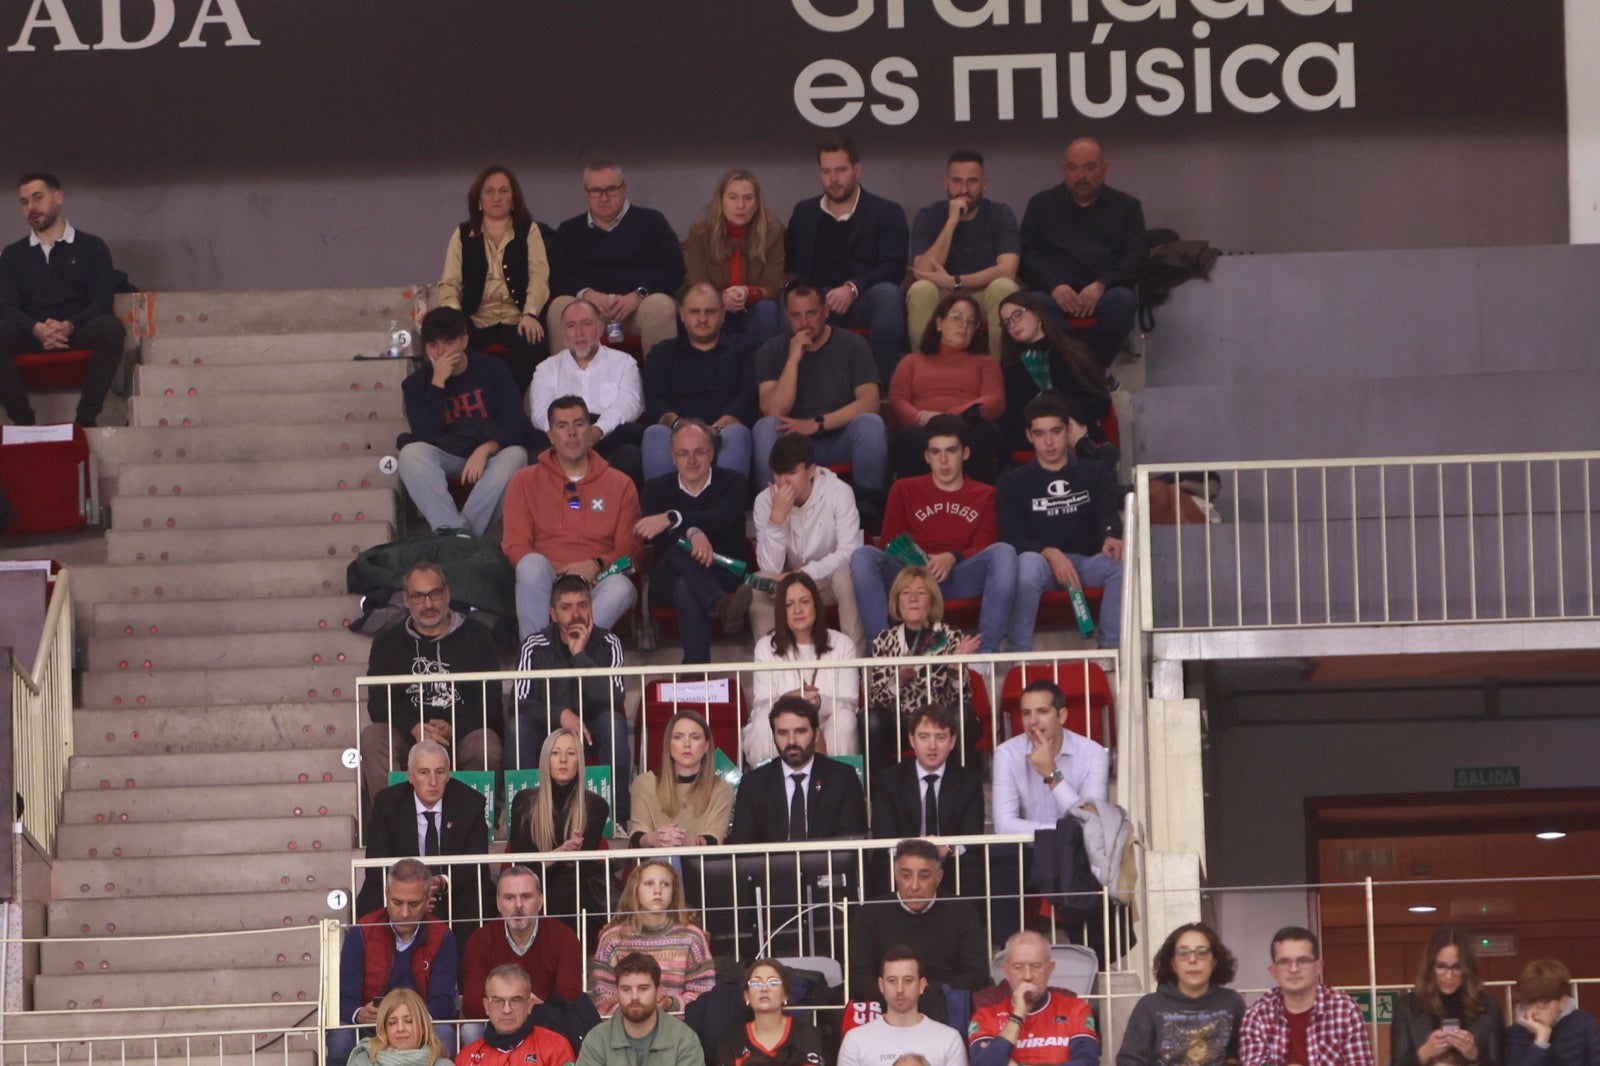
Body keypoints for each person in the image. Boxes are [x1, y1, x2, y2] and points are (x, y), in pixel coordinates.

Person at [851, 415, 1016, 653]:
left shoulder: (986, 494)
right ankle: (883, 651)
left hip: (958, 575)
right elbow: (889, 542)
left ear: (965, 453)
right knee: (863, 556)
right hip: (912, 575)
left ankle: (985, 654)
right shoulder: (904, 489)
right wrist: (918, 561)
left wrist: (951, 557)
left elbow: (985, 545)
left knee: (1005, 552)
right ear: (926, 456)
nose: (944, 460)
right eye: (936, 452)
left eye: (951, 451)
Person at [361, 562, 504, 801]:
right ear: (406, 600)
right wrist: (415, 727)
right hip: (409, 740)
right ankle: (389, 827)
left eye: (434, 594)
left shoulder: (478, 636)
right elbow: (377, 703)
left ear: (447, 594)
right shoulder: (387, 642)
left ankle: (479, 825)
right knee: (372, 737)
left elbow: (491, 701)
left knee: (486, 744)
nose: (428, 604)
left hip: (460, 738)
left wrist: (453, 727)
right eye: (418, 596)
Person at [502, 394, 641, 639]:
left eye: (579, 424)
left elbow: (630, 555)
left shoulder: (621, 484)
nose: (572, 433)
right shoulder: (523, 481)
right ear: (550, 436)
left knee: (622, 587)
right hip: (549, 577)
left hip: (597, 580)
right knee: (530, 566)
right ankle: (536, 659)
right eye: (562, 426)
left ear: (590, 432)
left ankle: (563, 653)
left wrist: (597, 565)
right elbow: (515, 545)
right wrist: (557, 569)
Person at [998, 395, 1123, 652]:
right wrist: (1050, 553)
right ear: (1029, 436)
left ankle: (1110, 652)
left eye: (1056, 431)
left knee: (1121, 562)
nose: (1049, 441)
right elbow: (1012, 538)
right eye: (1040, 433)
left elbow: (1107, 513)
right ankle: (1018, 652)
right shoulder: (1013, 482)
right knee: (1027, 563)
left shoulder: (1096, 472)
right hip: (1041, 567)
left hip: (1086, 565)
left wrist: (1112, 536)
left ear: (1068, 431)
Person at [0, 171, 125, 428]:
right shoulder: (12, 254)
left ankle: (85, 422)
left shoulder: (92, 247)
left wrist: (67, 326)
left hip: (77, 330)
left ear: (58, 197)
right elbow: (6, 305)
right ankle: (24, 422)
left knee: (111, 328)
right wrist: (38, 329)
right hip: (31, 333)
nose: (31, 208)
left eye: (37, 197)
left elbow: (101, 301)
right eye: (24, 202)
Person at [396, 307, 532, 538]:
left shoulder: (493, 370)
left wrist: (486, 449)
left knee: (516, 455)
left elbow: (516, 422)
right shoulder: (416, 384)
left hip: (487, 454)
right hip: (445, 454)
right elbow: (425, 433)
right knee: (410, 454)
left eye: (448, 343)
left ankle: (457, 537)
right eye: (433, 345)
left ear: (464, 340)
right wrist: (438, 382)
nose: (441, 352)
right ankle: (455, 530)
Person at [785, 135, 910, 384]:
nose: (833, 179)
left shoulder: (886, 212)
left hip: (863, 299)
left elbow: (893, 267)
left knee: (888, 295)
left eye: (841, 170)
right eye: (826, 171)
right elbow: (790, 266)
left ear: (857, 170)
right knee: (785, 302)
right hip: (815, 303)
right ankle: (792, 386)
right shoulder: (804, 212)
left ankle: (883, 389)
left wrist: (853, 288)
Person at [752, 280, 888, 500]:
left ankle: (869, 510)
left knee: (870, 424)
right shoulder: (771, 350)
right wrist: (793, 359)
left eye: (811, 313)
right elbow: (774, 411)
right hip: (792, 444)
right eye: (796, 315)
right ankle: (772, 510)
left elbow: (870, 402)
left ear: (826, 311)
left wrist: (816, 424)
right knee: (764, 428)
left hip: (838, 437)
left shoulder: (853, 345)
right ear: (787, 315)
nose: (804, 322)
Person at [1019, 139, 1147, 370]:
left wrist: (1101, 285)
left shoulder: (1127, 207)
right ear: (1063, 169)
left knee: (1124, 301)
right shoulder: (1041, 205)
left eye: (1089, 167)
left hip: (1105, 293)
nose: (1081, 175)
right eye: (1073, 167)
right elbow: (1027, 256)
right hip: (1053, 294)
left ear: (1105, 168)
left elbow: (1134, 258)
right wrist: (1054, 286)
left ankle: (1088, 370)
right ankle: (1086, 370)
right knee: (1036, 304)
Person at [636, 417, 753, 663]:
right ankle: (720, 603)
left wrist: (674, 518)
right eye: (683, 453)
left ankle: (696, 667)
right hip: (666, 578)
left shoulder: (734, 482)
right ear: (672, 456)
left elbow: (721, 518)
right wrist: (693, 533)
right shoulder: (655, 490)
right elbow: (654, 534)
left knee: (686, 585)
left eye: (699, 452)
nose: (691, 460)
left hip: (724, 572)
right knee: (678, 553)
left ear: (712, 453)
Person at [513, 578, 630, 816]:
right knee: (519, 726)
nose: (576, 614)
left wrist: (580, 655)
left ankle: (617, 817)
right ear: (553, 614)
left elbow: (615, 698)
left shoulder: (610, 643)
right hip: (548, 733)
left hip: (591, 732)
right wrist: (560, 715)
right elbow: (519, 702)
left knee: (614, 722)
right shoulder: (534, 646)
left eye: (583, 605)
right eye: (566, 607)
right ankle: (522, 816)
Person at [355, 740, 494, 939]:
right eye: (424, 772)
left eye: (440, 772)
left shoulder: (470, 802)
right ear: (410, 776)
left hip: (451, 889)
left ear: (448, 775)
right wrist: (413, 890)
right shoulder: (388, 803)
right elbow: (376, 864)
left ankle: (464, 967)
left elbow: (476, 865)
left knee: (482, 896)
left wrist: (442, 882)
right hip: (403, 888)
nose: (433, 781)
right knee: (369, 898)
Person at [435, 164, 551, 395]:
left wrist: (530, 314)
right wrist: (455, 318)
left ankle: (509, 404)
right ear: (479, 200)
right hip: (476, 317)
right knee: (455, 347)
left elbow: (539, 275)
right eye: (489, 191)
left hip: (517, 317)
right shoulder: (462, 234)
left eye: (503, 191)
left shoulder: (529, 230)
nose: (496, 197)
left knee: (532, 342)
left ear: (513, 197)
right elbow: (449, 282)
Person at [547, 161, 684, 356]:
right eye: (596, 191)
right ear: (586, 193)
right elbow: (556, 274)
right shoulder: (570, 230)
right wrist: (587, 295)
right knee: (559, 307)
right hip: (590, 312)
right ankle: (569, 384)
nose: (604, 198)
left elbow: (674, 269)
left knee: (661, 306)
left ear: (624, 188)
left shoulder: (652, 222)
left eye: (611, 189)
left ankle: (660, 385)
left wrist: (638, 295)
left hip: (639, 308)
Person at [847, 839, 989, 1022]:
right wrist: (901, 994)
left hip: (945, 1009)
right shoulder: (871, 912)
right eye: (906, 876)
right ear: (896, 875)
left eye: (924, 876)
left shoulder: (961, 909)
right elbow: (858, 979)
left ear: (939, 877)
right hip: (886, 1010)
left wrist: (929, 993)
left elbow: (977, 974)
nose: (914, 886)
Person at [334, 859, 459, 1066]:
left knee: (444, 1033)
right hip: (371, 1026)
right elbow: (344, 998)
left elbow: (443, 1001)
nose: (404, 913)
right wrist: (359, 1014)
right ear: (386, 893)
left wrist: (412, 1021)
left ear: (429, 898)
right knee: (339, 1039)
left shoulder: (442, 935)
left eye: (414, 904)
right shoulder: (362, 930)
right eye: (397, 902)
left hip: (420, 1027)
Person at [749, 431, 866, 649]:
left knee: (847, 577)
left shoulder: (839, 492)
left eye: (791, 473)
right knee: (758, 583)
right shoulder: (765, 501)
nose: (783, 482)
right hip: (787, 582)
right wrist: (777, 519)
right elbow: (768, 567)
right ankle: (774, 667)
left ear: (811, 470)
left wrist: (804, 573)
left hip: (827, 579)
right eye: (778, 474)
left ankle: (856, 667)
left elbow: (849, 552)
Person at [863, 566, 981, 771]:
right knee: (871, 719)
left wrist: (956, 668)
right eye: (906, 593)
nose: (913, 599)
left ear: (932, 600)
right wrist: (898, 680)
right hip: (899, 723)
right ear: (897, 601)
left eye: (920, 593)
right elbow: (876, 699)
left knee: (961, 713)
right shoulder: (884, 639)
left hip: (939, 719)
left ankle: (960, 789)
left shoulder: (950, 636)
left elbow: (962, 698)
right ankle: (876, 796)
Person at [907, 150, 1022, 357]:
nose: (964, 189)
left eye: (972, 181)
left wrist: (956, 281)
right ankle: (925, 376)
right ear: (946, 183)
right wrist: (951, 222)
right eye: (957, 181)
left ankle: (997, 377)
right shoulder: (929, 215)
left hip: (984, 296)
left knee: (1004, 286)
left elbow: (1008, 270)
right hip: (944, 298)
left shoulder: (1000, 214)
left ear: (984, 183)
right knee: (921, 289)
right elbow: (922, 271)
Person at [641, 283, 758, 480]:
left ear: (722, 314)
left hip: (725, 433)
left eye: (710, 312)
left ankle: (727, 508)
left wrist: (716, 429)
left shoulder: (744, 351)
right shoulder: (662, 353)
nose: (703, 319)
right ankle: (663, 508)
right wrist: (682, 427)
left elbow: (748, 398)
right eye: (695, 312)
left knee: (737, 434)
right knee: (654, 433)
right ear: (682, 315)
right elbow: (656, 401)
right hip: (677, 434)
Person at [458, 867, 584, 1049]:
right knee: (470, 1029)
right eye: (509, 898)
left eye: (526, 897)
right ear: (498, 903)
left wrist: (520, 1007)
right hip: (498, 1024)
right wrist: (517, 1005)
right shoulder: (480, 940)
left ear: (540, 901)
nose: (518, 905)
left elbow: (570, 998)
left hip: (546, 1023)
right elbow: (471, 1005)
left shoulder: (563, 937)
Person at [886, 294, 1005, 483]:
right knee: (905, 438)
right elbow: (897, 400)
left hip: (967, 427)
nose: (964, 325)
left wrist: (947, 419)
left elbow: (995, 401)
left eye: (971, 321)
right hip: (921, 428)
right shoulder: (912, 361)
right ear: (939, 322)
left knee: (984, 434)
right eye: (957, 317)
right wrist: (921, 418)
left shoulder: (985, 362)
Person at [746, 571, 860, 766]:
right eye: (789, 605)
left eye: (804, 602)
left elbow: (849, 702)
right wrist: (790, 700)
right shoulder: (766, 647)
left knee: (845, 720)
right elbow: (761, 702)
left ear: (816, 604)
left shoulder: (843, 644)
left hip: (826, 725)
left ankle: (840, 791)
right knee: (763, 723)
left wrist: (817, 702)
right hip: (783, 725)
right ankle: (765, 793)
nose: (797, 610)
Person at [527, 299, 645, 485]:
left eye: (586, 324)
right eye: (571, 326)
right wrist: (566, 434)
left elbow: (629, 405)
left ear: (600, 327)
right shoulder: (546, 368)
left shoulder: (624, 362)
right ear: (563, 331)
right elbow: (540, 413)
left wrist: (597, 430)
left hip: (607, 436)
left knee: (630, 455)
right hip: (561, 439)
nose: (579, 333)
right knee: (537, 457)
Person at [507, 729, 612, 927]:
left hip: (575, 888)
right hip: (532, 885)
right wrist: (561, 853)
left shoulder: (596, 805)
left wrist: (551, 860)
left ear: (580, 762)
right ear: (545, 760)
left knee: (567, 885)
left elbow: (584, 868)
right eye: (555, 753)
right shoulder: (523, 802)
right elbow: (522, 865)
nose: (563, 759)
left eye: (571, 753)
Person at [728, 695, 867, 843]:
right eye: (783, 733)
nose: (791, 741)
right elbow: (742, 850)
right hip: (771, 866)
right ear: (773, 736)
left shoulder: (843, 778)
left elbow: (853, 845)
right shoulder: (753, 784)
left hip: (828, 866)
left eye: (800, 731)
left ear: (816, 735)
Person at [997, 292, 1116, 463]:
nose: (1013, 324)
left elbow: (1101, 402)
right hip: (1033, 433)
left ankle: (1082, 447)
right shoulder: (1010, 367)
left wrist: (1064, 407)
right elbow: (1010, 417)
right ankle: (1084, 449)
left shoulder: (1073, 352)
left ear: (1036, 313)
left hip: (1078, 424)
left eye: (1018, 314)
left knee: (1056, 402)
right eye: (1007, 322)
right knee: (1049, 404)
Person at [589, 860, 715, 1017]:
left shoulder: (691, 937)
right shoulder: (613, 939)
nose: (658, 890)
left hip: (677, 1030)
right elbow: (603, 1000)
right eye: (649, 883)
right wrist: (639, 1013)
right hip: (625, 1030)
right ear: (635, 890)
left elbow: (705, 995)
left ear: (673, 893)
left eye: (665, 884)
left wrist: (671, 1003)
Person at [1238, 927, 1374, 1066]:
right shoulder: (1257, 1015)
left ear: (1318, 967)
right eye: (1284, 962)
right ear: (1274, 971)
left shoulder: (1345, 1010)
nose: (1294, 969)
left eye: (1303, 961)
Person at [992, 679, 1109, 835]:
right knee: (1002, 853)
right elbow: (1003, 825)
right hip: (1028, 849)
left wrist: (1052, 773)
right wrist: (1057, 833)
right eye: (1026, 713)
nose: (1032, 721)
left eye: (1042, 711)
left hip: (1076, 850)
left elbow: (1090, 821)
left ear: (1061, 716)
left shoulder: (1093, 753)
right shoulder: (1006, 753)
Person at [1118, 923, 1245, 1066]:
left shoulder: (1232, 1002)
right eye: (1183, 953)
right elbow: (1129, 1061)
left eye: (1202, 952)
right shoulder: (1149, 1006)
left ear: (1214, 961)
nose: (1192, 960)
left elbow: (1243, 1055)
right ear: (1173, 963)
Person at [683, 169, 786, 346]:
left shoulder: (773, 232)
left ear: (757, 203)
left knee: (767, 309)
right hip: (713, 307)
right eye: (733, 198)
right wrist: (722, 297)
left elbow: (774, 286)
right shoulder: (700, 233)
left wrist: (747, 292)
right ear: (721, 201)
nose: (740, 205)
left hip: (753, 307)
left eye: (748, 198)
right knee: (699, 308)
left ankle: (764, 371)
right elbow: (697, 284)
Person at [969, 930, 1099, 1066]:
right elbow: (983, 1063)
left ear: (1050, 969)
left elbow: (1087, 1062)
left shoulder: (1075, 1009)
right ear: (1006, 972)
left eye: (1036, 966)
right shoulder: (985, 1016)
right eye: (1018, 967)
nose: (1027, 975)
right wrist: (1018, 1015)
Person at [870, 703, 984, 843]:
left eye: (940, 737)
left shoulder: (970, 783)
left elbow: (972, 841)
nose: (932, 746)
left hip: (954, 861)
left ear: (952, 742)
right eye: (924, 737)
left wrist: (947, 849)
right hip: (903, 861)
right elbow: (883, 840)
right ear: (912, 740)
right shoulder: (888, 781)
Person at [1391, 925, 1504, 1066]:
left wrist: (1474, 1055)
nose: (1449, 976)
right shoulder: (1407, 1007)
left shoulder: (1488, 1007)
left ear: (1467, 968)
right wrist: (1425, 1053)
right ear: (1430, 966)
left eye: (1457, 967)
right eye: (1441, 966)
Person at [839, 947, 968, 1066]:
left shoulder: (949, 1039)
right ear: (881, 985)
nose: (899, 989)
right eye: (892, 981)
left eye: (908, 980)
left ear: (922, 985)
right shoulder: (855, 1041)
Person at [628, 710, 735, 848]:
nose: (687, 744)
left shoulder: (721, 788)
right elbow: (637, 836)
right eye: (678, 737)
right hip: (654, 865)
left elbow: (714, 838)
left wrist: (689, 842)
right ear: (668, 744)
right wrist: (654, 839)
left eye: (695, 737)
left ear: (706, 746)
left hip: (701, 866)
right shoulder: (645, 783)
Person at [579, 952, 706, 1066]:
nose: (634, 997)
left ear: (658, 992)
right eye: (626, 989)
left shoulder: (684, 1040)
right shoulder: (596, 1040)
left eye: (643, 988)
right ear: (617, 993)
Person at [455, 965, 577, 1066]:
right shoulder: (467, 1057)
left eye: (515, 1000)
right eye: (498, 1001)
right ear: (486, 1006)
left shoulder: (556, 1047)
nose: (507, 1010)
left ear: (529, 1005)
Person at [716, 958, 828, 1066]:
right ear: (747, 996)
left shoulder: (807, 1034)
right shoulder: (731, 1043)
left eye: (773, 982)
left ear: (785, 994)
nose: (764, 988)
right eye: (756, 983)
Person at [1506, 958, 1600, 1066]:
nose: (1533, 1012)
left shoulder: (1583, 1024)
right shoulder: (1517, 1033)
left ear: (1563, 1002)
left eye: (1543, 1002)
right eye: (1527, 1004)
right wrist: (1539, 1044)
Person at [348, 988, 455, 1066]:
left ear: (423, 1027)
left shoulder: (443, 1064)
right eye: (392, 1023)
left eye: (409, 1021)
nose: (400, 1028)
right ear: (383, 1028)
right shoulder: (363, 1060)